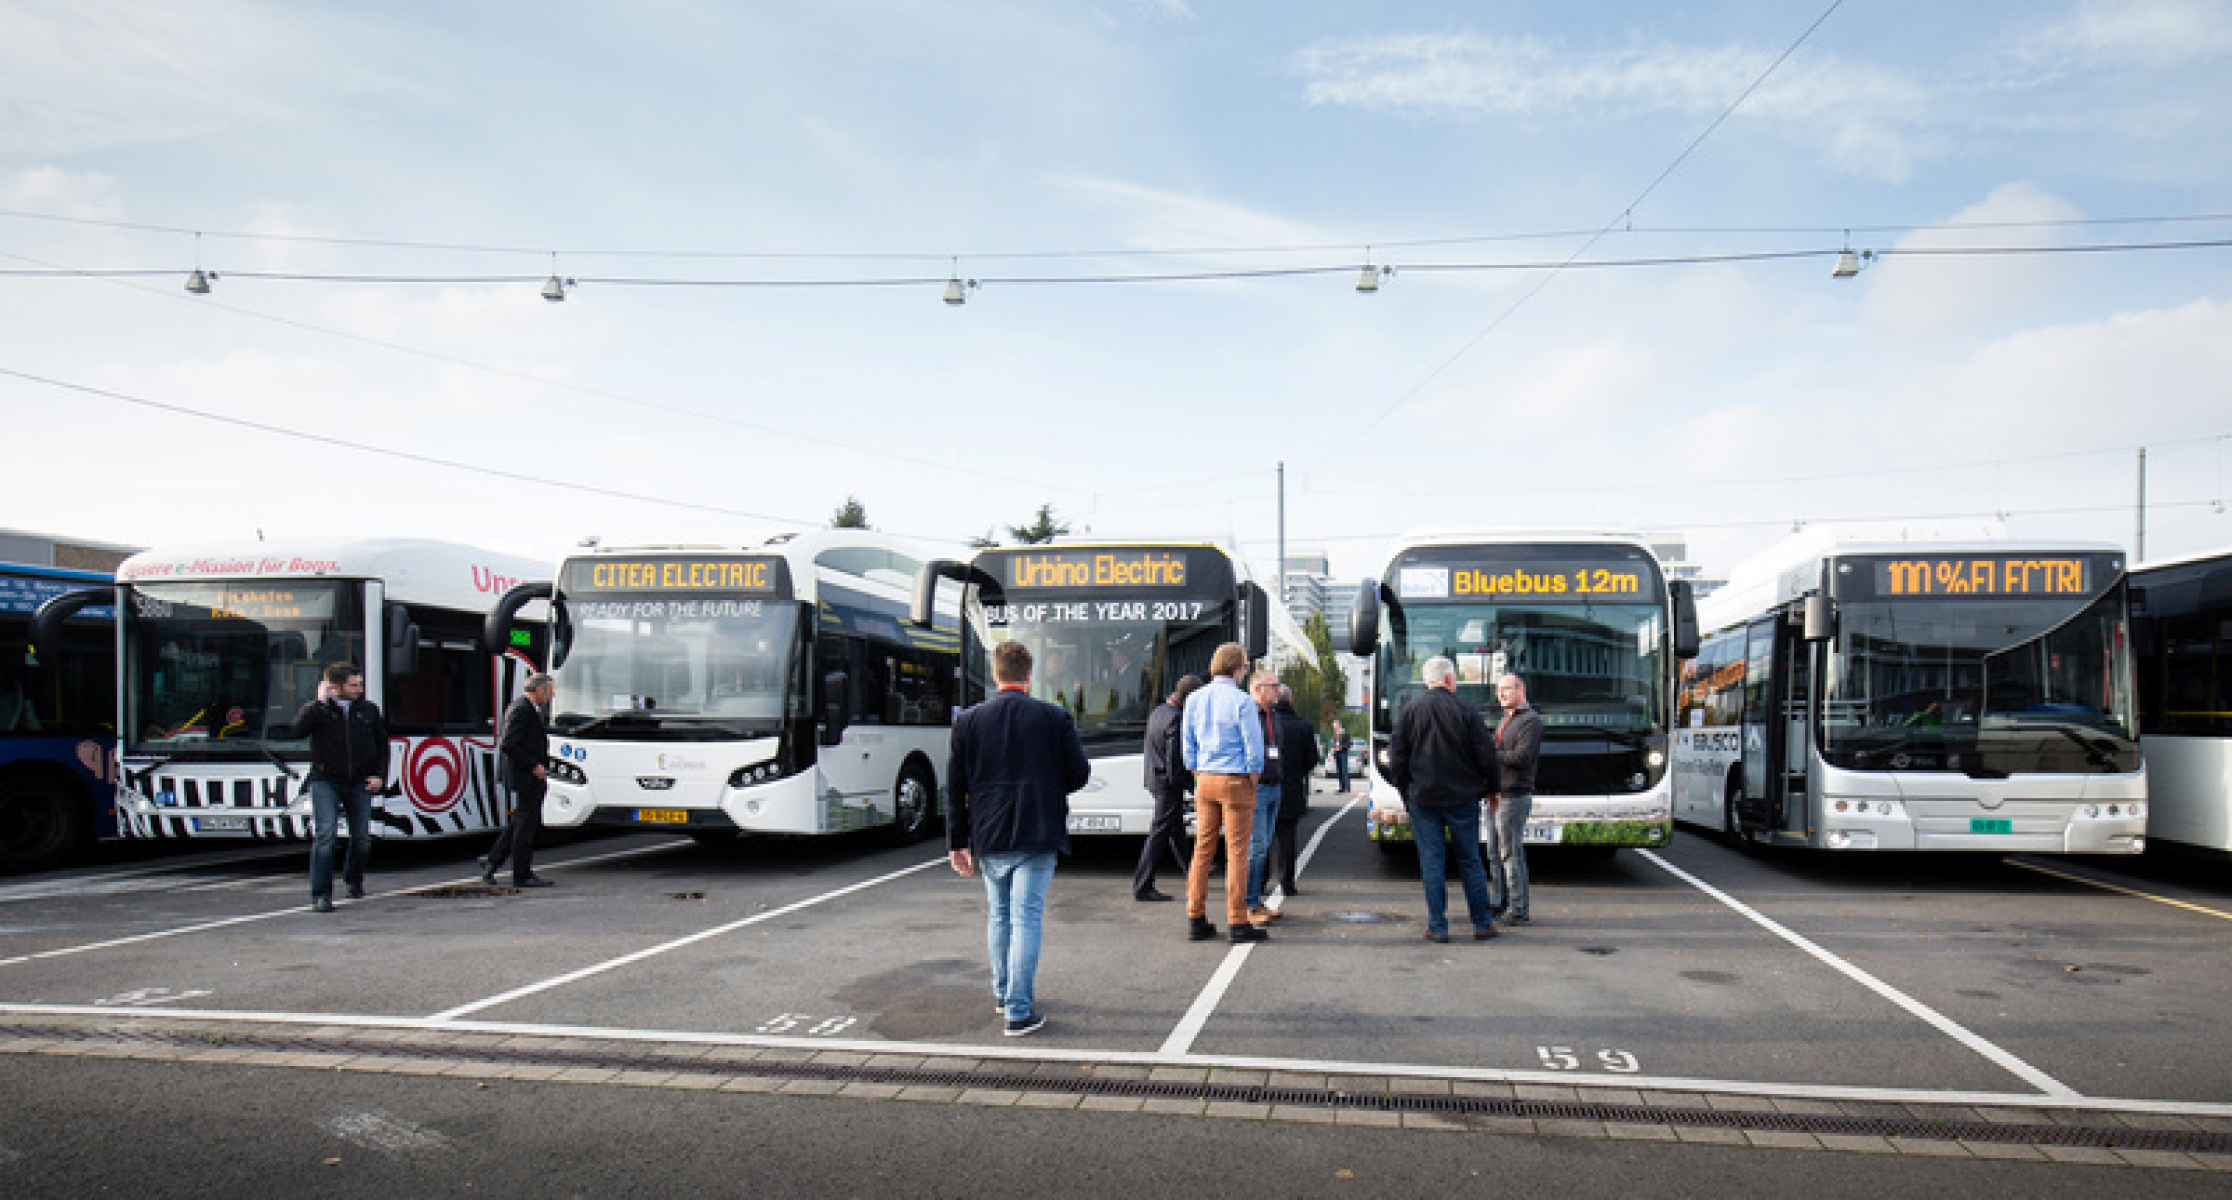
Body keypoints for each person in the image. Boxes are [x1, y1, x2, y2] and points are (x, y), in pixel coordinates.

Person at [948, 640, 1091, 1038]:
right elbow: (1079, 775)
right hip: (1039, 828)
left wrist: (957, 841)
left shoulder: (969, 721)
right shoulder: (1054, 717)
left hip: (989, 833)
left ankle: (1003, 993)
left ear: (995, 674)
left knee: (1000, 916)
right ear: (1029, 674)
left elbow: (954, 786)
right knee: (1026, 917)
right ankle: (1018, 1010)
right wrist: (1047, 784)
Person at [1387, 655, 1500, 943]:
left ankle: (1438, 926)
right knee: (1470, 859)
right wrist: (1492, 788)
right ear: (1449, 679)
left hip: (1423, 799)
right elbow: (1487, 755)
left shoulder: (1410, 711)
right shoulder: (1467, 710)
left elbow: (1397, 759)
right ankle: (1482, 924)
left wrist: (1406, 792)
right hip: (1463, 798)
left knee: (1432, 861)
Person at [1180, 642, 1265, 945]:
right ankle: (1237, 921)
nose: (1246, 671)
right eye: (1244, 665)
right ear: (1237, 667)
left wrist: (1196, 769)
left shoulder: (1194, 699)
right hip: (1234, 779)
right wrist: (1253, 775)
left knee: (1202, 850)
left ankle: (1196, 916)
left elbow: (1186, 743)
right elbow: (1253, 746)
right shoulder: (1242, 702)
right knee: (1237, 852)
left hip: (1205, 779)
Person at [290, 663, 388, 913]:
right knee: (325, 836)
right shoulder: (320, 711)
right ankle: (321, 895)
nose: (359, 689)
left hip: (359, 780)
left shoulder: (368, 710)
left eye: (360, 684)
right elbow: (297, 730)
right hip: (326, 779)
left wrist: (379, 775)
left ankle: (354, 880)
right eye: (353, 685)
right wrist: (317, 703)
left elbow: (382, 746)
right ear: (335, 687)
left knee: (362, 838)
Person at [1132, 674, 1203, 902]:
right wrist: (1190, 786)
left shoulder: (1159, 712)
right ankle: (1143, 884)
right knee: (1159, 833)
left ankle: (1192, 872)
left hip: (1155, 779)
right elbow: (1175, 761)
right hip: (1168, 784)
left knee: (1175, 830)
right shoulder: (1176, 719)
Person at [482, 672, 557, 889]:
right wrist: (534, 765)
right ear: (540, 690)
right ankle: (521, 874)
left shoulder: (526, 709)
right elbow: (509, 744)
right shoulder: (522, 710)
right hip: (527, 776)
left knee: (518, 823)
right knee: (525, 827)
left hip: (530, 776)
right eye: (550, 690)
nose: (552, 695)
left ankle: (492, 861)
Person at [1488, 672, 1543, 926]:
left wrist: (1491, 754)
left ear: (1521, 690)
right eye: (1499, 690)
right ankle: (1500, 901)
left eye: (1506, 689)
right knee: (1494, 853)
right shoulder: (1505, 720)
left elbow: (1521, 758)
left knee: (1510, 853)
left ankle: (1518, 907)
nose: (1500, 694)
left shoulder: (1530, 721)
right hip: (1497, 795)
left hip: (1514, 794)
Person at [1241, 670, 1287, 926]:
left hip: (1274, 786)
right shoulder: (1247, 714)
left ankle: (1255, 901)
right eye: (1273, 686)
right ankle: (1248, 904)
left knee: (1264, 845)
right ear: (1257, 689)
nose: (1278, 690)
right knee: (1255, 848)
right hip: (1256, 788)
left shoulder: (1274, 716)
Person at [1267, 684, 1318, 898]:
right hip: (1292, 786)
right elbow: (1312, 759)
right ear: (1291, 701)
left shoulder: (1265, 722)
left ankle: (1259, 881)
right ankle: (1286, 882)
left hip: (1266, 784)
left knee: (1263, 837)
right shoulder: (1303, 726)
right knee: (1287, 836)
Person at [1330, 719, 1353, 794]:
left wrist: (1341, 747)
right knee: (1339, 771)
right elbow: (1334, 743)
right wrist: (1333, 748)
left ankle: (1347, 787)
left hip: (1343, 753)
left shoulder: (1345, 733)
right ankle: (1341, 787)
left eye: (1335, 726)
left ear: (1339, 725)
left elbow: (1349, 743)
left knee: (1344, 770)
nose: (1334, 728)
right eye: (1333, 726)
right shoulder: (1335, 734)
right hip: (1336, 753)